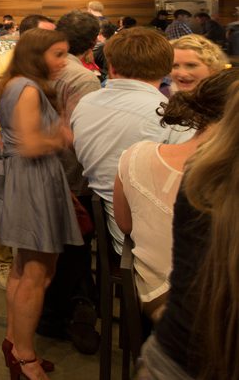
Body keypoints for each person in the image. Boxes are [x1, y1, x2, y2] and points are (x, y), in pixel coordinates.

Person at [0, 29, 82, 379]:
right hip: (34, 180)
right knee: (37, 273)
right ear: (36, 55)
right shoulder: (27, 88)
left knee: (23, 266)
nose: (63, 62)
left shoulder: (15, 84)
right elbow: (29, 144)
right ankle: (25, 357)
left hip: (26, 179)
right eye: (58, 54)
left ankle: (14, 343)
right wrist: (63, 135)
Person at [113, 70, 237, 321]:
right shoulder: (223, 175)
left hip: (153, 292)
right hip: (195, 306)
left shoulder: (136, 155)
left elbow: (125, 225)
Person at [141, 83, 239, 380]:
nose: (181, 73)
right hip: (177, 336)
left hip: (171, 340)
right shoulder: (202, 177)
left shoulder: (200, 173)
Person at [71, 28, 193, 253]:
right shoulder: (170, 116)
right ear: (167, 69)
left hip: (111, 219)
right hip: (145, 238)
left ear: (112, 67)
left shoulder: (86, 102)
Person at [39, 11, 103, 354]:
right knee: (72, 248)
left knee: (53, 247)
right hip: (68, 173)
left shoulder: (42, 66)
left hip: (40, 168)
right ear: (93, 43)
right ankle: (59, 315)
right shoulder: (83, 79)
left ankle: (60, 309)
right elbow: (81, 135)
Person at [0, 15, 55, 291]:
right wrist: (1, 139)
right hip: (14, 145)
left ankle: (32, 257)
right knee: (7, 202)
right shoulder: (4, 62)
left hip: (43, 145)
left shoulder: (47, 62)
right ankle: (3, 260)